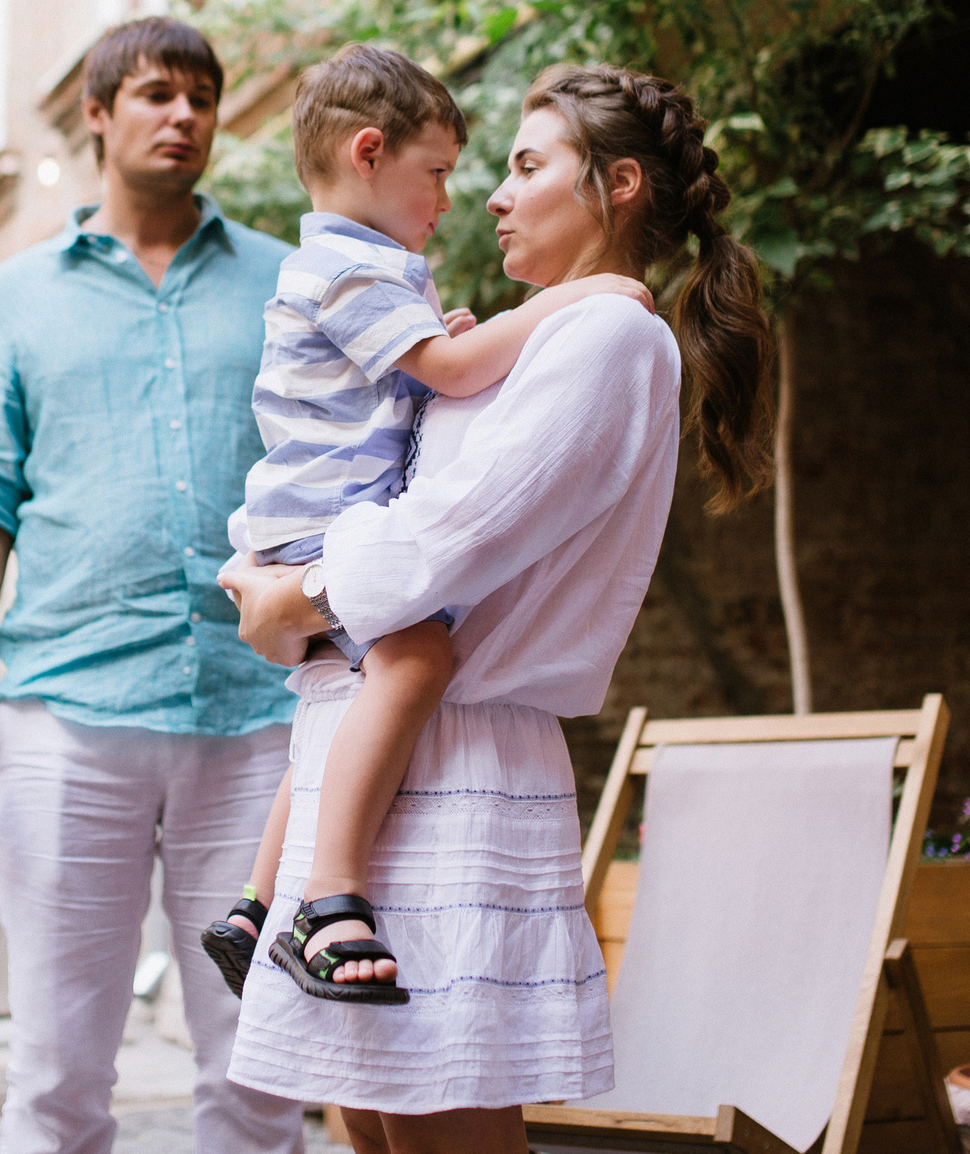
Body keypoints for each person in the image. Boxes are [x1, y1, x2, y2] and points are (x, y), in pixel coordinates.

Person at [217, 63, 776, 1154]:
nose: (492, 193)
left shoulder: (613, 336)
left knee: (444, 1130)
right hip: (370, 750)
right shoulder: (523, 340)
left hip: (456, 767)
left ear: (615, 184)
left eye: (526, 165)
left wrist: (295, 593)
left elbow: (450, 534)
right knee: (372, 1125)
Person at [0, 16, 306, 1154]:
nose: (183, 115)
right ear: (95, 113)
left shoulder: (287, 280)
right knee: (57, 1068)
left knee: (255, 1060)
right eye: (154, 94)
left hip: (259, 717)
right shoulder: (17, 295)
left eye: (202, 97)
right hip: (68, 711)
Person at [199, 45, 651, 1008]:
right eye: (440, 172)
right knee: (414, 664)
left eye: (521, 167)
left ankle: (258, 900)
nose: (462, 196)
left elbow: (430, 398)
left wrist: (447, 336)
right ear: (370, 153)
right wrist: (577, 292)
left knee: (331, 699)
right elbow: (447, 379)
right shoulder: (354, 269)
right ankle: (325, 899)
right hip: (323, 530)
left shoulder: (363, 271)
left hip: (318, 535)